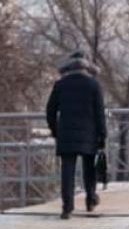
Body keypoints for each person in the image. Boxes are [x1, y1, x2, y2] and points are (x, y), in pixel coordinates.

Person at [45, 50, 106, 219]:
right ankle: (90, 199)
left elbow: (50, 111)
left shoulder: (60, 85)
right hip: (89, 134)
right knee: (89, 168)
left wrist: (55, 130)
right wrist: (102, 134)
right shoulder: (93, 85)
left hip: (66, 134)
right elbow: (100, 112)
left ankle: (67, 207)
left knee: (67, 170)